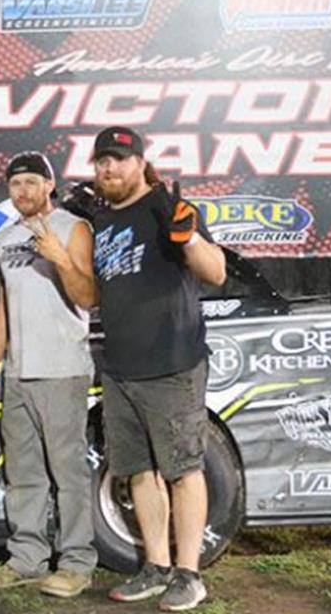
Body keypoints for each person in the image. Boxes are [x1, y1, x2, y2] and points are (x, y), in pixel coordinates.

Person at [89, 127, 225, 611]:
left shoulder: (166, 208)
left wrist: (188, 238)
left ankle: (189, 574)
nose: (110, 168)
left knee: (184, 471)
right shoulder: (101, 219)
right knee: (137, 473)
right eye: (102, 160)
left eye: (119, 159)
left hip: (171, 366)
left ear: (141, 164)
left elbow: (216, 271)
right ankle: (157, 567)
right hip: (120, 367)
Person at [0, 152, 98, 598]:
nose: (23, 191)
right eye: (16, 184)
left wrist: (60, 258)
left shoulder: (73, 228)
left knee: (68, 473)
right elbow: (3, 306)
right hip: (18, 374)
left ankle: (77, 562)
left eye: (32, 182)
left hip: (63, 369)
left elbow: (89, 296)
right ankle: (27, 558)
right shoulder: (7, 237)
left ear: (49, 185)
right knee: (23, 474)